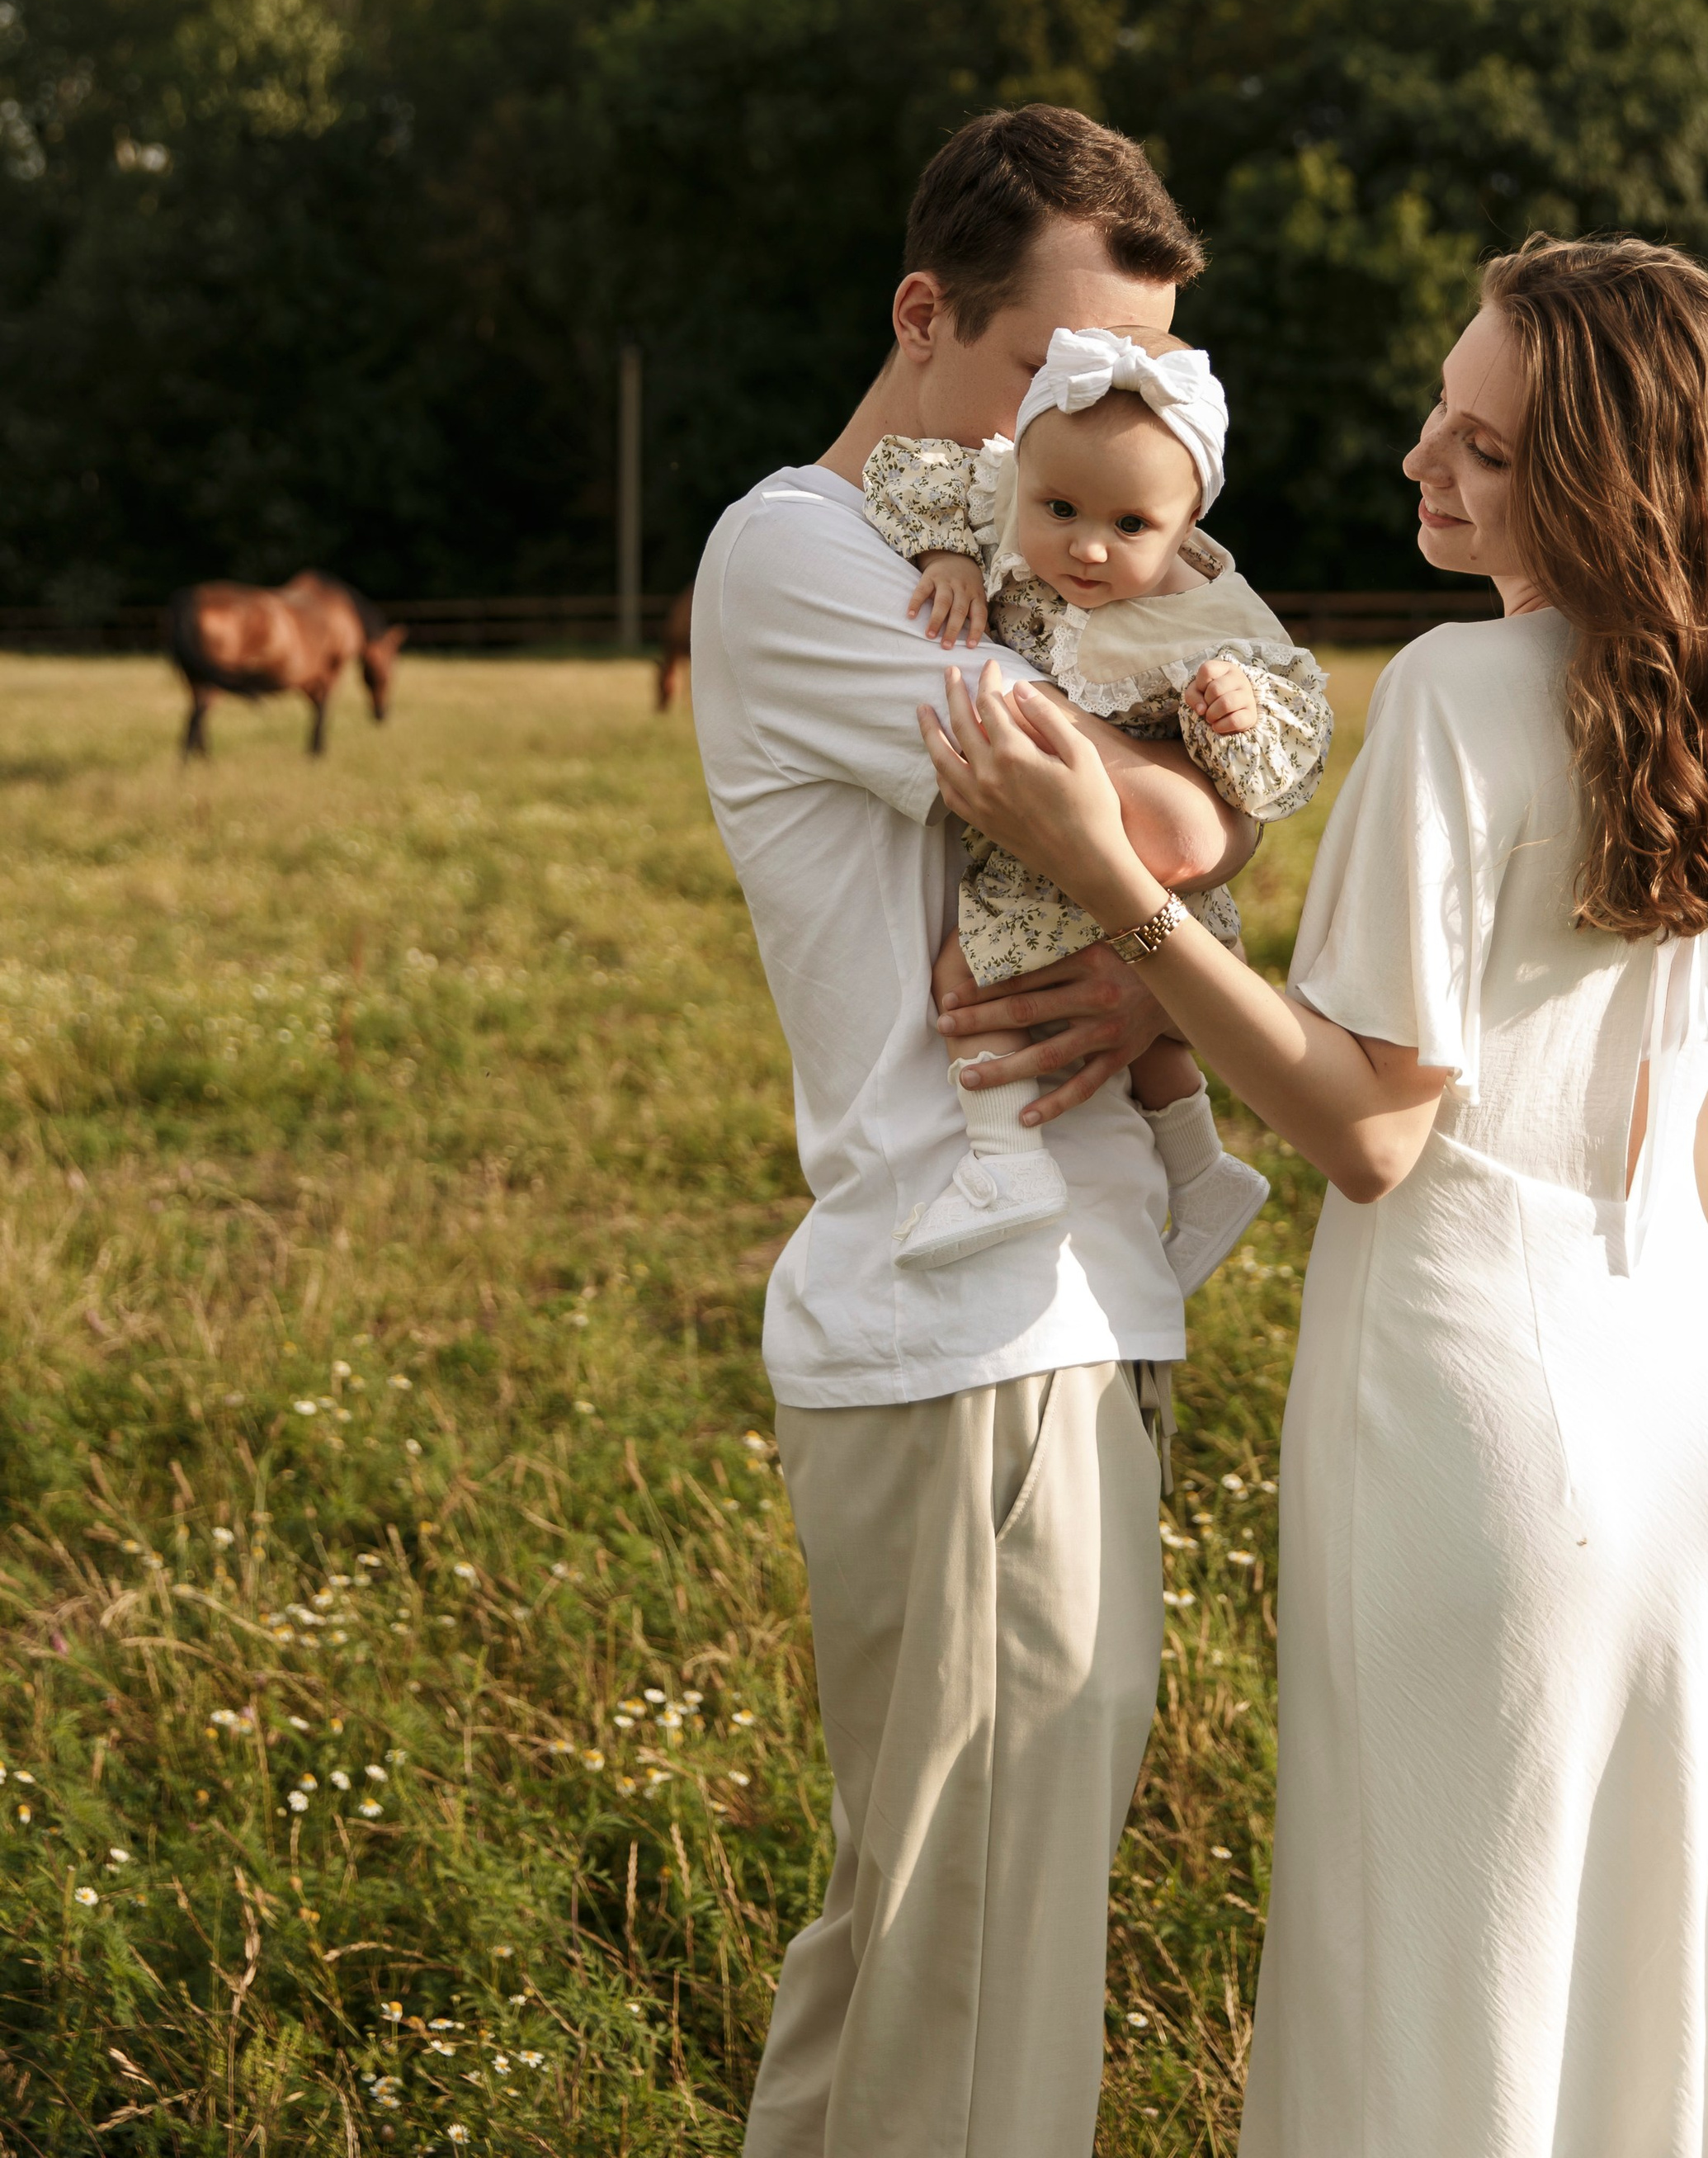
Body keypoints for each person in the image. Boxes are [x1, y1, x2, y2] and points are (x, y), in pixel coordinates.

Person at [924, 234, 1708, 2158]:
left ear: (1606, 479)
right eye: (1439, 409)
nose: (1422, 457)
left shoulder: (1453, 690)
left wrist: (1116, 891)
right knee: (1651, 1997)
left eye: (1483, 445)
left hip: (1458, 1415)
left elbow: (1367, 1129)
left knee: (1431, 1991)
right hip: (1687, 1415)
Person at [688, 105, 1257, 2158]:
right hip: (963, 1313)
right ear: (922, 316)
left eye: (1146, 393)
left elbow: (1232, 748)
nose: (1103, 439)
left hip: (1060, 1301)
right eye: (1057, 374)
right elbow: (1176, 797)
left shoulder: (1062, 559)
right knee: (966, 1982)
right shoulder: (806, 554)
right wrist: (1164, 866)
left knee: (951, 1954)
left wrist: (1152, 904)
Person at [863, 319, 1330, 1280]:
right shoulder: (998, 505)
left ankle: (1004, 1162)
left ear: (1188, 522)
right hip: (1095, 847)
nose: (1084, 549)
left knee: (965, 979)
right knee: (1148, 1041)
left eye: (1129, 528)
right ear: (1022, 477)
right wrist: (946, 555)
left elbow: (1289, 748)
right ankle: (1203, 1172)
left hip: (1103, 849)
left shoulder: (1205, 616)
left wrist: (1231, 714)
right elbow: (913, 475)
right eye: (1060, 508)